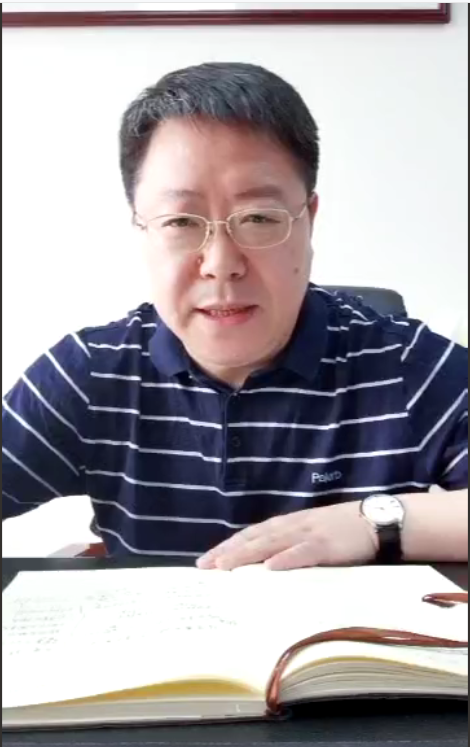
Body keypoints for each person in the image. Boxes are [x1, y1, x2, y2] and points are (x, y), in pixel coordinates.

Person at [2, 62, 467, 569]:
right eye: (181, 221)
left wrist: (373, 522)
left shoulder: (406, 366)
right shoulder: (91, 372)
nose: (221, 263)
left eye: (259, 218)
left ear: (309, 221)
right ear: (141, 229)